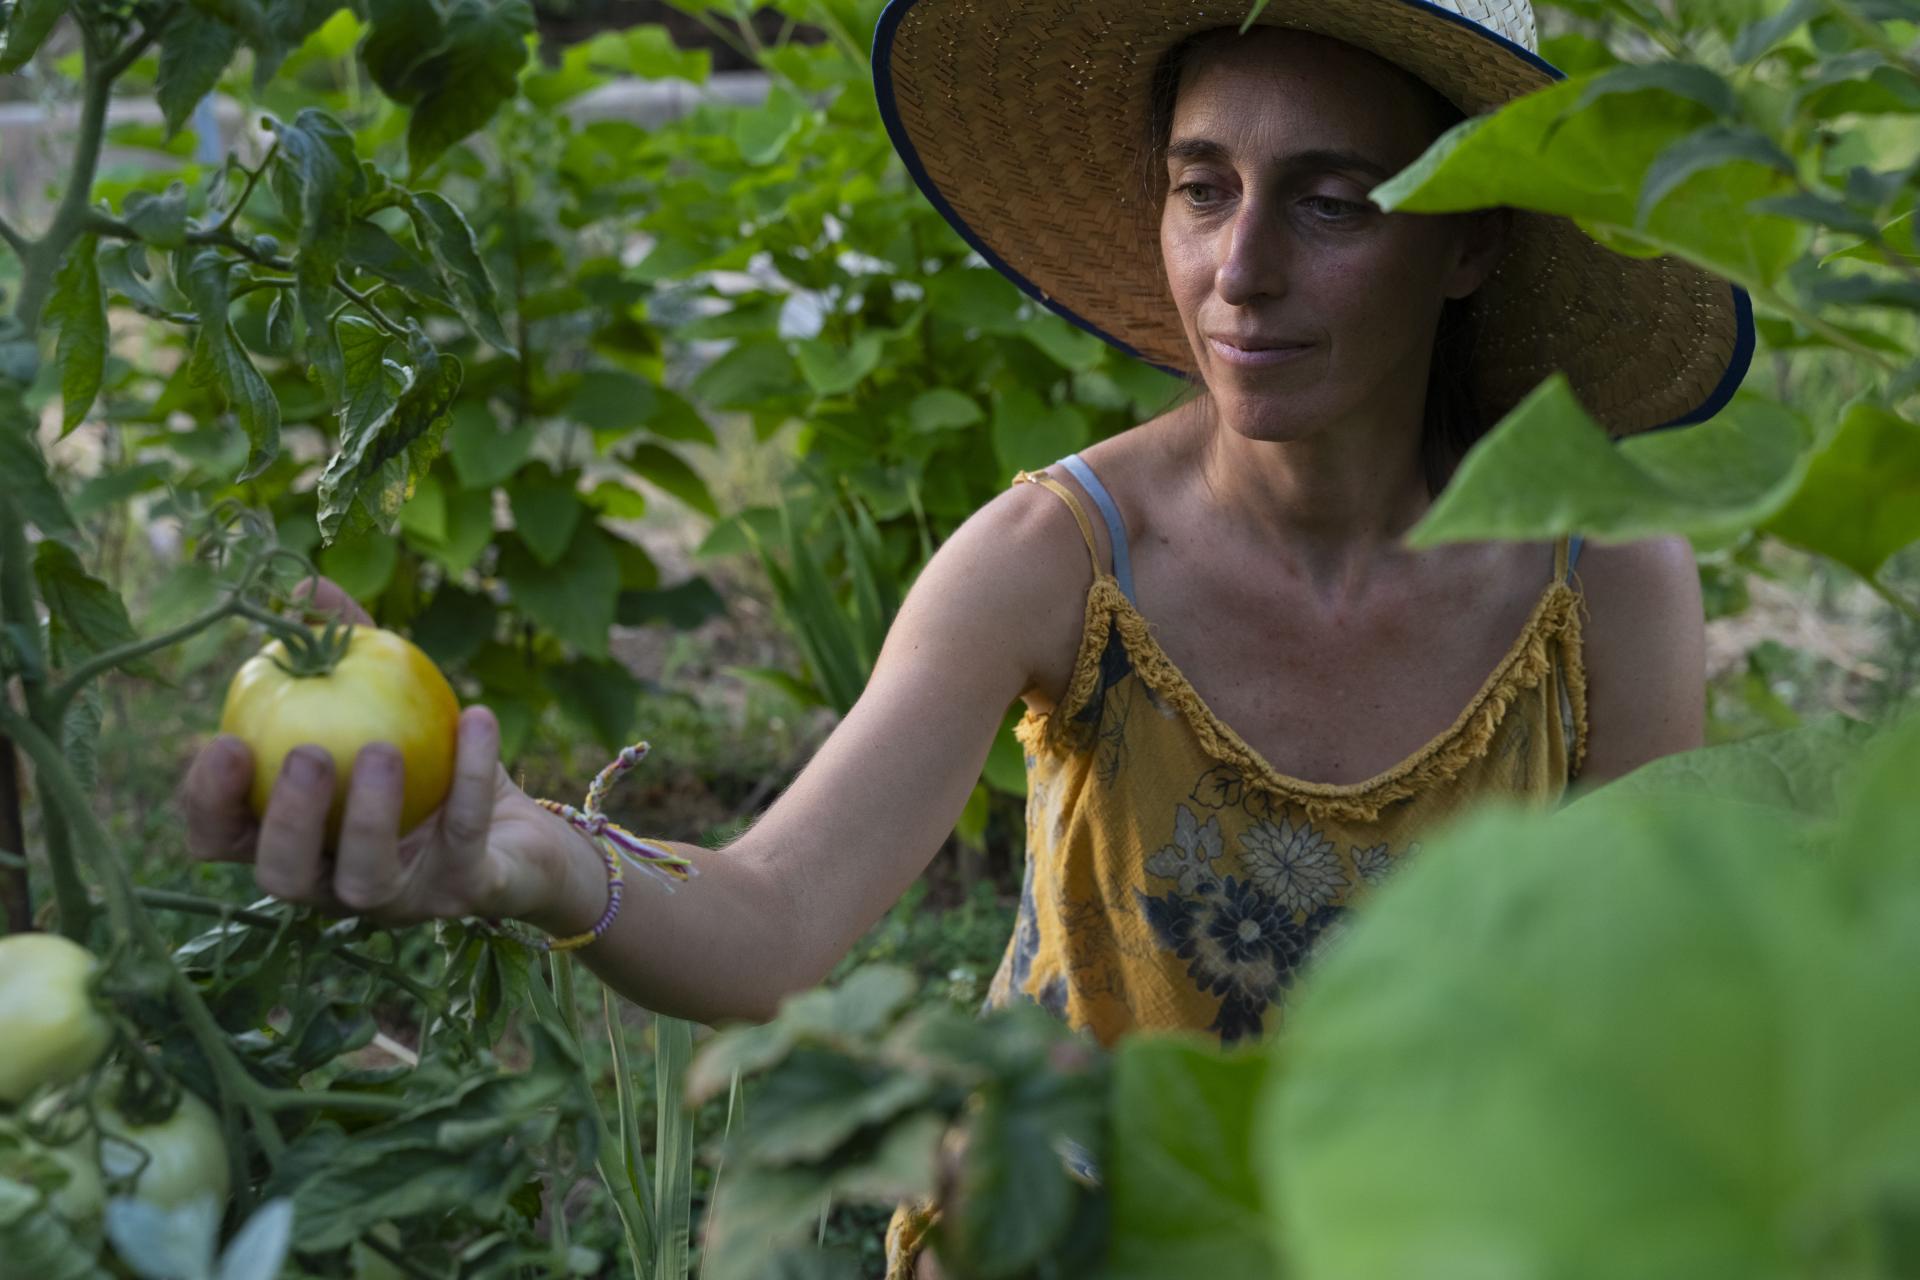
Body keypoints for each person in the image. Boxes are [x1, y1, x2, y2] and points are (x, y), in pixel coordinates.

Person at [184, 0, 1751, 1275]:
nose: (1241, 267)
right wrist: (525, 856)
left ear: (1471, 239)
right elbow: (775, 913)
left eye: (1334, 201)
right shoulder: (1055, 559)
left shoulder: (1601, 577)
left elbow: (1623, 1018)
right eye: (1203, 188)